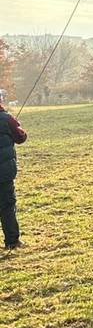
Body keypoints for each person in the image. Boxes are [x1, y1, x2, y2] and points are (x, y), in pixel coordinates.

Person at [0, 93, 27, 250]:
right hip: (4, 172)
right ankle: (12, 241)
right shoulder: (7, 118)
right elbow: (20, 137)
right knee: (7, 206)